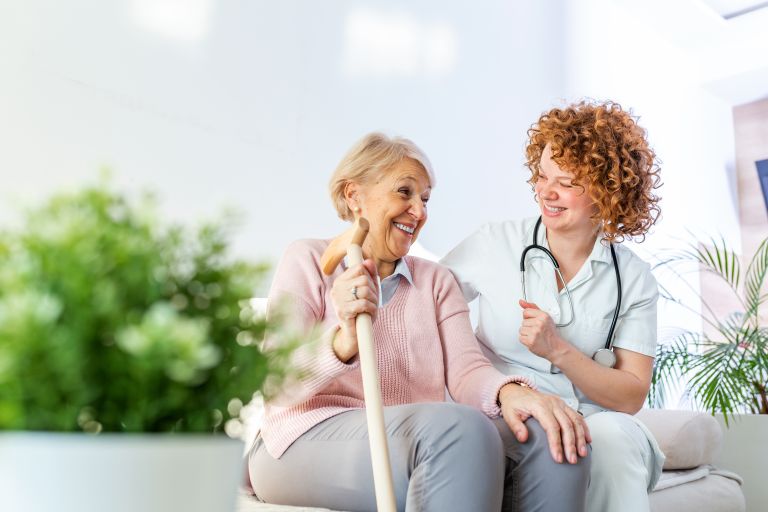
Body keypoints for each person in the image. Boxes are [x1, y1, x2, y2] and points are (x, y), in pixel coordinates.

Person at [248, 132, 590, 512]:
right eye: (404, 192)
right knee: (460, 430)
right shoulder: (307, 260)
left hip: (412, 434)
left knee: (555, 434)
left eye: (425, 199)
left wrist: (511, 392)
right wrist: (343, 340)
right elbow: (274, 382)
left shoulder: (435, 281)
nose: (419, 211)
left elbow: (467, 371)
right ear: (353, 195)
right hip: (301, 439)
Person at [441, 100, 666, 512]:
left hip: (594, 418)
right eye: (542, 176)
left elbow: (631, 394)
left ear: (607, 191)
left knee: (613, 443)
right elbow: (428, 302)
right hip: (502, 409)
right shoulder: (495, 244)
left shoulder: (633, 278)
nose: (546, 192)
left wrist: (557, 350)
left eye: (566, 182)